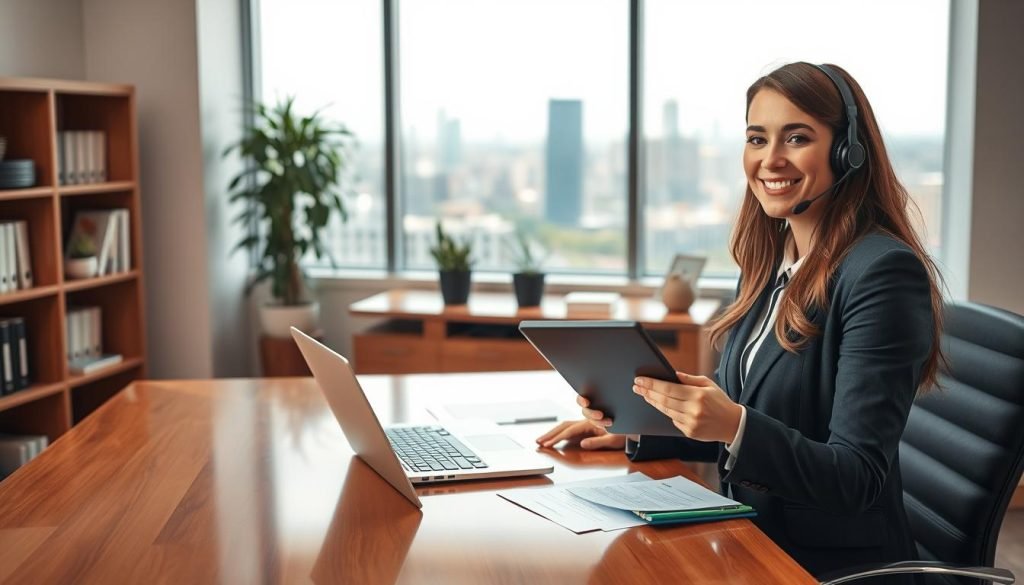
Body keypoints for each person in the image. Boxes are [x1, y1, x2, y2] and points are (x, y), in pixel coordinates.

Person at [537, 62, 945, 583]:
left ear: (848, 151)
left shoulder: (881, 273)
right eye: (757, 138)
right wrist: (644, 430)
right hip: (749, 543)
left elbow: (855, 478)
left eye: (796, 138)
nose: (770, 160)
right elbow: (743, 424)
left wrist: (731, 422)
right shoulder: (768, 268)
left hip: (828, 567)